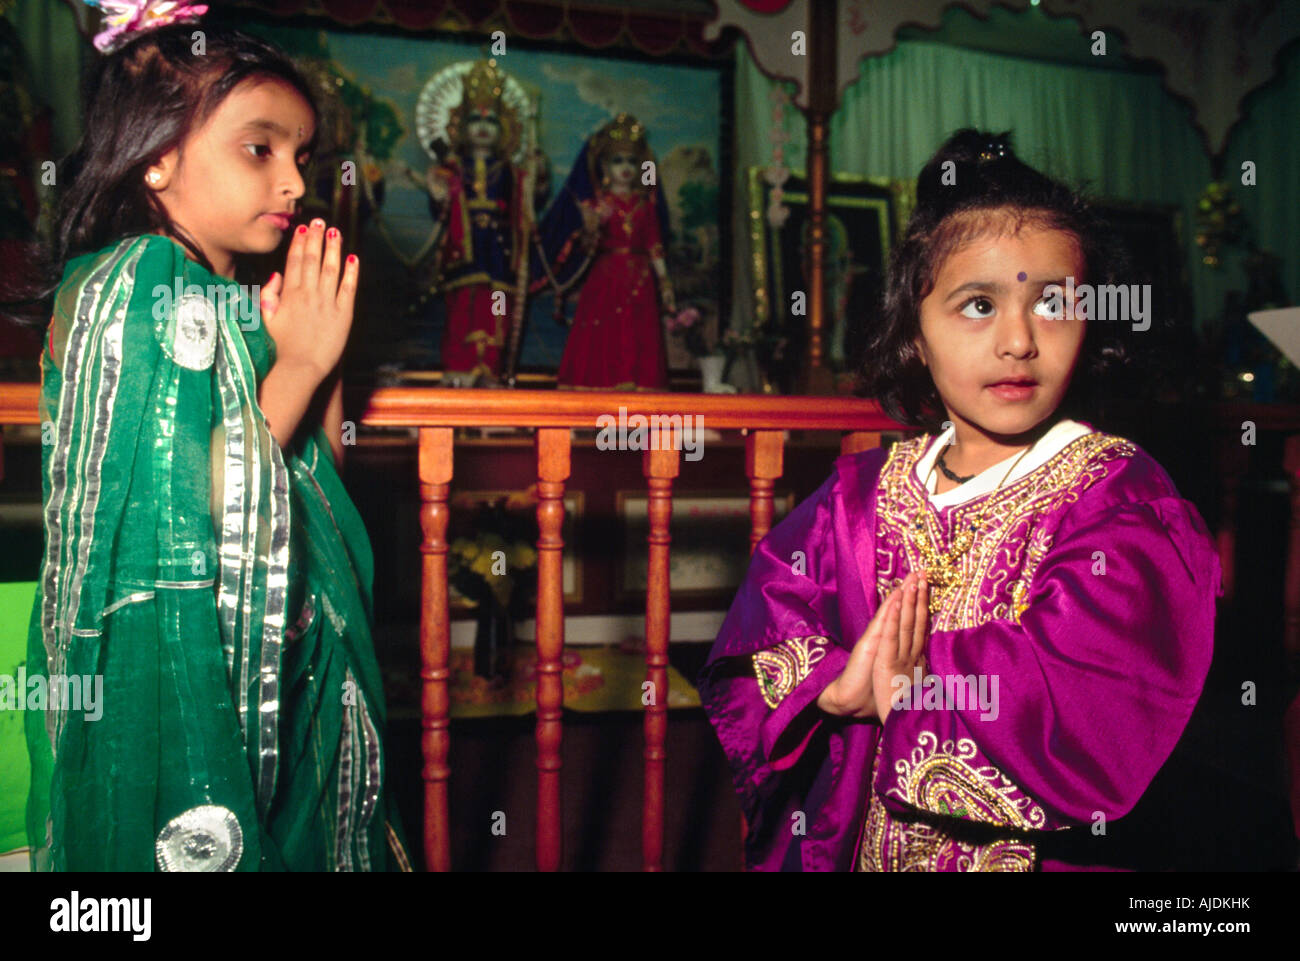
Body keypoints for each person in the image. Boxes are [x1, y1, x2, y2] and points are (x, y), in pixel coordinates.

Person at [696, 129, 1222, 872]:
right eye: (978, 304)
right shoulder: (861, 492)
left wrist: (911, 686)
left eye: (1053, 305)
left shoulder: (1116, 496)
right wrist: (833, 687)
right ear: (915, 326)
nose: (1018, 340)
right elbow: (768, 616)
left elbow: (1091, 686)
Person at [2, 11, 410, 871]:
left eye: (301, 154)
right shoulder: (131, 284)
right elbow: (192, 507)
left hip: (284, 664)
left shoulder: (242, 300)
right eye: (259, 149)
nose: (295, 181)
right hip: (184, 686)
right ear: (156, 156)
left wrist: (318, 356)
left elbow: (314, 483)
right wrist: (296, 366)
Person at [533, 113, 675, 390]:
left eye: (631, 161)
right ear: (604, 166)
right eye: (617, 161)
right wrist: (592, 224)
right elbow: (586, 248)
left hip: (641, 278)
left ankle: (639, 402)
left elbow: (654, 245)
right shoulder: (599, 205)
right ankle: (597, 392)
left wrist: (665, 281)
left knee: (638, 332)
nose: (625, 168)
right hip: (606, 276)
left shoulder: (645, 205)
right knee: (605, 333)